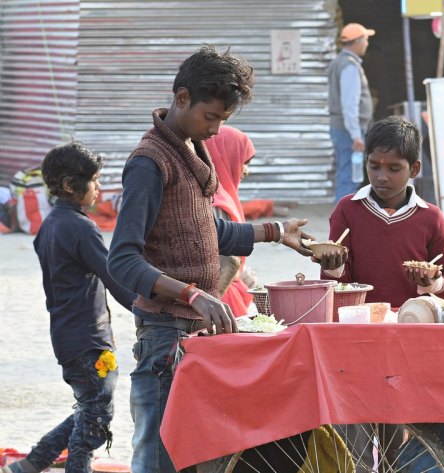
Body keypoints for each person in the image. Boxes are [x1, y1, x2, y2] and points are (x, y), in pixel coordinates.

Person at [107, 45, 318, 472]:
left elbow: (206, 232)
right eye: (212, 117)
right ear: (181, 98)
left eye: (224, 119)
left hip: (194, 334)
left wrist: (276, 232)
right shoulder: (150, 163)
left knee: (192, 453)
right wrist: (193, 295)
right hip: (164, 337)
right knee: (156, 454)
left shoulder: (191, 153)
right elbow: (122, 260)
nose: (217, 130)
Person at [2, 143, 137, 473]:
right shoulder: (80, 227)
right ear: (68, 184)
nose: (99, 188)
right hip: (89, 339)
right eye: (95, 180)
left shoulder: (50, 225)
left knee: (91, 405)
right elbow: (113, 276)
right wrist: (145, 308)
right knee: (97, 413)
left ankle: (34, 462)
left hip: (66, 335)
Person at [319, 116, 444, 308]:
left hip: (414, 322)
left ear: (414, 169)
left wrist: (433, 283)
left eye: (394, 168)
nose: (382, 177)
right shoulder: (347, 210)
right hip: (361, 321)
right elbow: (334, 287)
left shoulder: (432, 219)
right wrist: (333, 268)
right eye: (374, 166)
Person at [205, 125, 259, 315]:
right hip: (220, 297)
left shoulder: (220, 197)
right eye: (244, 162)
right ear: (224, 156)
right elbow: (218, 261)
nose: (246, 171)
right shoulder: (215, 203)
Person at [328, 23, 375, 202]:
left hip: (342, 129)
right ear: (357, 41)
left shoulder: (339, 62)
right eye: (366, 39)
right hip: (348, 131)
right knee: (349, 178)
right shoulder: (349, 66)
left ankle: (343, 218)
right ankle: (344, 221)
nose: (367, 44)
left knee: (346, 173)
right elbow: (350, 104)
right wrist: (356, 135)